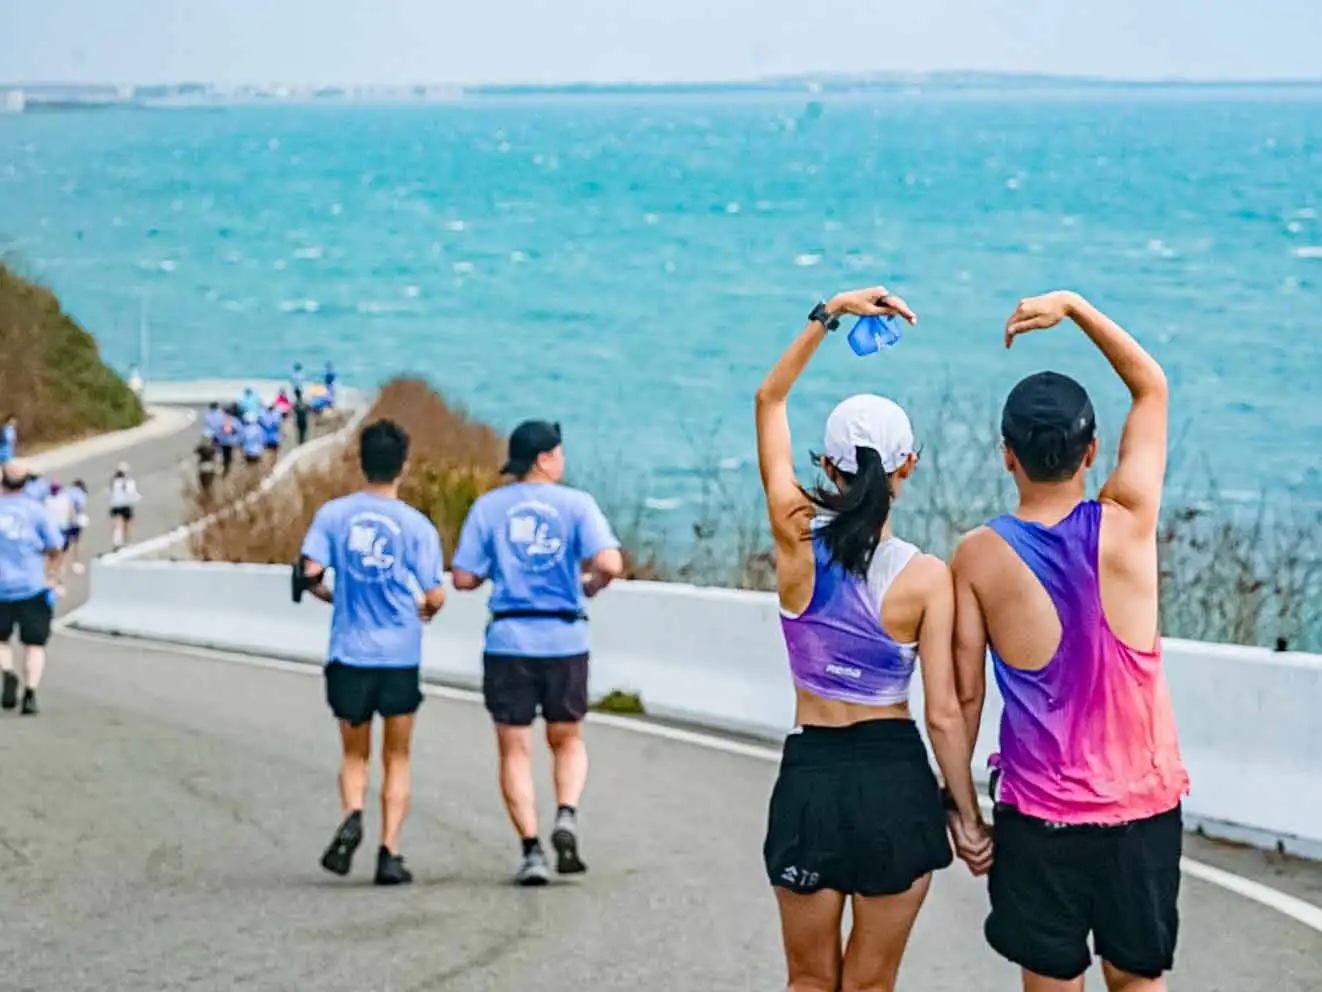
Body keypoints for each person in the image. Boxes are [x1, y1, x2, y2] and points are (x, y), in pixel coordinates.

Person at [753, 286, 990, 992]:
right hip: (894, 780)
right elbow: (946, 713)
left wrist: (832, 311)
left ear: (827, 466)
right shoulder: (927, 578)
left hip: (812, 778)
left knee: (808, 980)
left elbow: (769, 401)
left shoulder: (795, 538)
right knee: (871, 984)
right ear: (906, 466)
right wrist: (968, 818)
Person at [951, 291, 1189, 992]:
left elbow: (961, 697)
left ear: (1007, 456)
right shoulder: (1129, 521)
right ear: (1092, 450)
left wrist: (963, 812)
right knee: (1139, 982)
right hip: (1141, 814)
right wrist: (1077, 310)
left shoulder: (978, 556)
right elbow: (1151, 384)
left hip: (1040, 821)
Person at [451, 420, 624, 886]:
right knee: (567, 739)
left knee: (515, 748)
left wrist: (500, 570)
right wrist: (589, 584)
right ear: (546, 458)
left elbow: (463, 578)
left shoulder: (489, 508)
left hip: (509, 639)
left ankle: (531, 849)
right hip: (565, 638)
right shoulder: (576, 504)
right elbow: (610, 562)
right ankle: (566, 812)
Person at [298, 420, 447, 886]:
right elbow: (436, 593)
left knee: (354, 755)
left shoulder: (333, 516)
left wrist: (332, 596)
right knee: (397, 756)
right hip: (399, 653)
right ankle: (389, 852)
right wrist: (425, 608)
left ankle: (353, 814)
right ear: (404, 465)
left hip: (349, 651)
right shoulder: (416, 525)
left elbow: (311, 571)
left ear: (360, 462)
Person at [0, 459, 63, 715]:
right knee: (34, 645)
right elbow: (56, 545)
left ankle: (6, 673)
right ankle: (30, 694)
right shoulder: (36, 511)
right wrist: (51, 572)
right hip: (32, 586)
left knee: (1, 640)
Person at [43, 481, 75, 589]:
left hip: (51, 531)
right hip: (63, 529)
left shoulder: (47, 500)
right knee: (62, 556)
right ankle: (60, 579)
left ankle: (49, 577)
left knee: (50, 556)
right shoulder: (65, 499)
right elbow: (71, 514)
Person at [109, 462, 141, 550]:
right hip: (126, 504)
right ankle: (127, 542)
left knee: (118, 523)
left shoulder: (114, 481)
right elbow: (131, 492)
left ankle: (118, 541)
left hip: (115, 504)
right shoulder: (129, 481)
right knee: (128, 523)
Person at [65, 479, 89, 575]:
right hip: (75, 521)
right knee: (76, 542)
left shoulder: (66, 491)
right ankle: (76, 562)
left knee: (65, 544)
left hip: (64, 520)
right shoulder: (80, 494)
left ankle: (65, 563)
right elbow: (81, 507)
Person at [217, 404, 240, 475]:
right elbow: (239, 430)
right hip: (231, 442)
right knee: (229, 456)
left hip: (223, 442)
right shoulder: (234, 420)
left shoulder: (221, 420)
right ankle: (227, 470)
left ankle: (225, 469)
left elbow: (218, 430)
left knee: (225, 455)